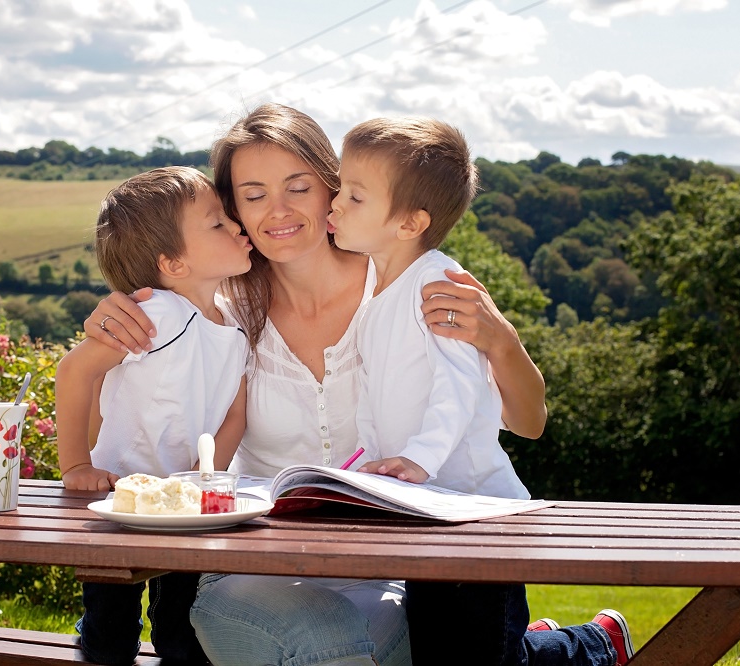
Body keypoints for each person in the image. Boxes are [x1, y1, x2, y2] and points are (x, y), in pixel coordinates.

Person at [83, 103, 546, 666]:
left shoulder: (407, 285)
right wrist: (113, 325)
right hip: (266, 571)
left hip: (407, 570)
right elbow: (120, 405)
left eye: (297, 187)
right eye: (252, 196)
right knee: (316, 644)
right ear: (235, 213)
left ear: (334, 188)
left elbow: (527, 423)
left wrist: (502, 341)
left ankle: (561, 648)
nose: (277, 210)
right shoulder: (219, 317)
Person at [329, 115, 634, 666]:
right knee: (446, 650)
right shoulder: (378, 291)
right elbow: (374, 395)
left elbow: (460, 387)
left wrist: (418, 459)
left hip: (476, 511)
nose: (334, 204)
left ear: (409, 222)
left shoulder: (437, 285)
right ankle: (525, 638)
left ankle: (595, 643)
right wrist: (370, 470)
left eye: (354, 195)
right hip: (423, 507)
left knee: (482, 660)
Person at [55, 166, 252, 665]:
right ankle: (97, 639)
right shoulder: (157, 314)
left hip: (184, 506)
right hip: (118, 497)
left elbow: (235, 414)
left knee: (182, 629)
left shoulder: (232, 326)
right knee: (111, 630)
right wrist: (76, 465)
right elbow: (74, 372)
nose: (236, 227)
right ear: (173, 263)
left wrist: (206, 481)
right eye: (217, 224)